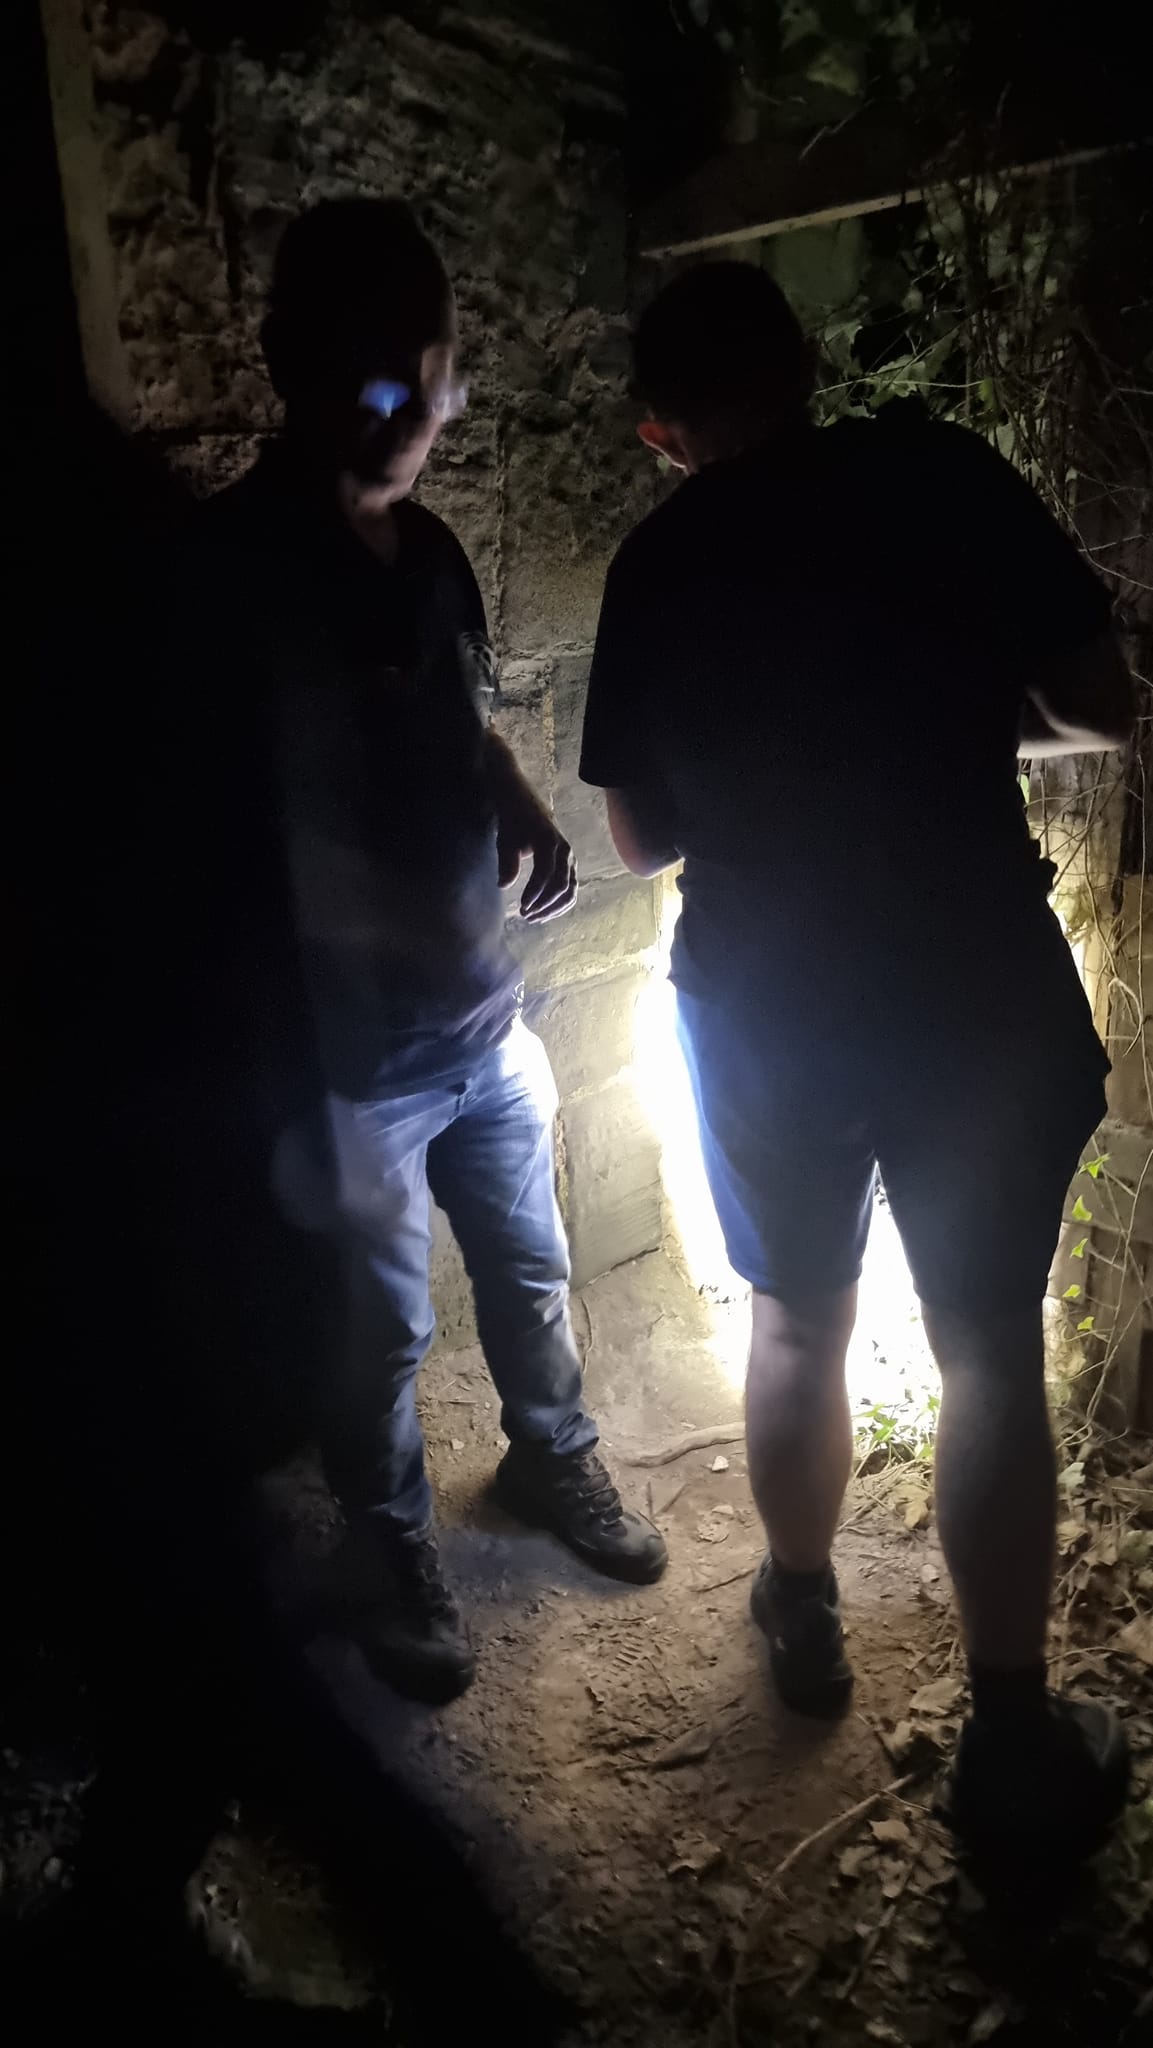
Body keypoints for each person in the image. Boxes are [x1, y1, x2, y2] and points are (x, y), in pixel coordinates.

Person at [579, 260, 1135, 1866]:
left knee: (794, 1317)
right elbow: (1099, 706)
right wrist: (950, 723)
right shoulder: (943, 478)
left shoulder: (661, 560)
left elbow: (639, 835)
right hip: (969, 989)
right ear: (807, 363)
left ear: (657, 429)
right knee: (988, 1352)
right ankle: (1011, 1740)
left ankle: (802, 1608)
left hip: (770, 1000)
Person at [204, 198, 666, 1706]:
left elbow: (456, 717)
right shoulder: (231, 578)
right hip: (345, 1067)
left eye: (435, 375)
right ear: (290, 363)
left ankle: (551, 1457)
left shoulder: (431, 553)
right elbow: (211, 833)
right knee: (379, 1332)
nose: (417, 413)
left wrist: (515, 796)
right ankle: (388, 1542)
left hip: (481, 1024)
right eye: (379, 379)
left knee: (531, 1273)